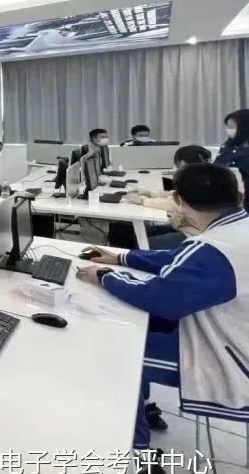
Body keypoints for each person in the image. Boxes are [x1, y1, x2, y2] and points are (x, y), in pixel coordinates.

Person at [76, 163, 249, 461]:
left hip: (229, 363)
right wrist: (123, 257)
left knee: (118, 351)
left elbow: (162, 300)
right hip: (234, 339)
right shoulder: (235, 231)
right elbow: (181, 259)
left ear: (179, 200)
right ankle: (140, 410)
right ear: (238, 195)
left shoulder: (214, 250)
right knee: (132, 332)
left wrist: (105, 276)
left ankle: (138, 454)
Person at [123, 146, 214, 249]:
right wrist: (150, 193)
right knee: (141, 233)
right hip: (191, 227)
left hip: (198, 236)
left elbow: (174, 204)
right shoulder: (204, 178)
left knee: (146, 243)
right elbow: (177, 195)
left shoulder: (199, 183)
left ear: (182, 163)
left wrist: (142, 200)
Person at [217, 109, 249, 210]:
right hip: (225, 196)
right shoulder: (228, 145)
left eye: (232, 127)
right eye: (228, 127)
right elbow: (217, 165)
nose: (228, 130)